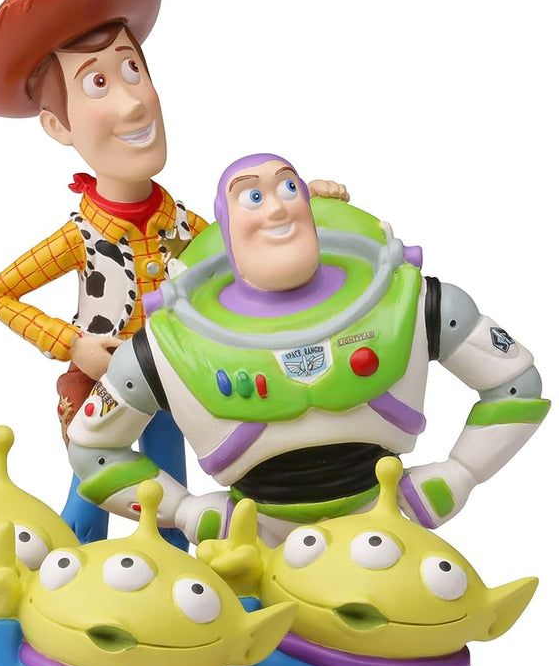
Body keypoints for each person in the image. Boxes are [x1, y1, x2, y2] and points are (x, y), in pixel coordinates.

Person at [0, 0, 347, 545]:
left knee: (170, 499)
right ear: (59, 126)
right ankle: (70, 577)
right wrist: (73, 344)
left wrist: (299, 206)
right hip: (101, 386)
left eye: (132, 70)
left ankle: (174, 583)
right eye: (98, 83)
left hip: (167, 379)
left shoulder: (182, 224)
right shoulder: (80, 236)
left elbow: (236, 250)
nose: (134, 102)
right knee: (89, 496)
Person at [67, 152, 549, 543]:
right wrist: (183, 510)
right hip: (256, 538)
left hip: (382, 521)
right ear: (228, 225)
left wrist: (462, 472)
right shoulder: (166, 345)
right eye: (253, 197)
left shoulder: (412, 301)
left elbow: (515, 385)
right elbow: (94, 450)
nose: (277, 209)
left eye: (288, 189)